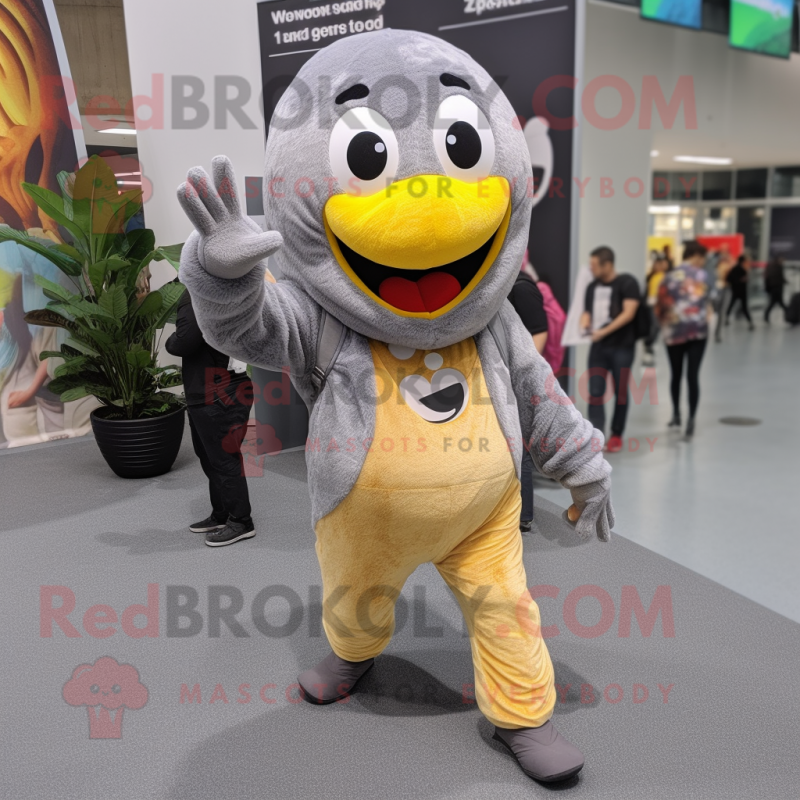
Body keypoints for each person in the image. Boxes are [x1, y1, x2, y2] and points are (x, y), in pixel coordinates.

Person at [165, 286, 255, 547]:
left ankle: (241, 521)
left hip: (215, 393)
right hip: (228, 387)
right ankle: (222, 514)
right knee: (211, 456)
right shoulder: (228, 292)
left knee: (223, 458)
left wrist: (171, 340)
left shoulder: (194, 294)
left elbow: (185, 340)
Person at [580, 246, 641, 453]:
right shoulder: (592, 287)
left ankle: (617, 434)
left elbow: (628, 314)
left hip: (622, 346)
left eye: (594, 265)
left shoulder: (628, 283)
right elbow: (587, 311)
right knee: (595, 391)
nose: (591, 268)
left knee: (620, 390)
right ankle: (597, 436)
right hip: (599, 347)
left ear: (607, 264)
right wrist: (584, 323)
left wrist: (603, 332)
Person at [507, 259, 548, 533]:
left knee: (519, 446)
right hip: (503, 375)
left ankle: (524, 514)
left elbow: (539, 333)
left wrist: (521, 372)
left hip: (517, 377)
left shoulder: (520, 288)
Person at [654, 240, 711, 439]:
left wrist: (665, 325)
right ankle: (691, 420)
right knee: (693, 376)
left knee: (675, 374)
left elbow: (659, 306)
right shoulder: (702, 276)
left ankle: (676, 414)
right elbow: (711, 300)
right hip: (698, 332)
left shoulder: (668, 276)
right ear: (696, 256)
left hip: (674, 332)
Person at [642, 254, 668, 366]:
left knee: (656, 326)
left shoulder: (666, 277)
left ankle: (649, 345)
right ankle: (648, 346)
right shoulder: (650, 277)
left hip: (660, 305)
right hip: (650, 304)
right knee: (653, 325)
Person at [725, 254, 754, 330]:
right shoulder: (737, 269)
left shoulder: (741, 268)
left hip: (739, 291)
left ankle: (750, 322)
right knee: (740, 306)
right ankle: (750, 322)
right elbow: (729, 279)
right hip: (738, 290)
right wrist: (740, 281)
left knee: (735, 305)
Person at [713, 253, 734, 342]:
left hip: (726, 289)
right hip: (718, 289)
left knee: (722, 313)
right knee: (719, 312)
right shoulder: (718, 268)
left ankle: (717, 333)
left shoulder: (729, 267)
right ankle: (717, 333)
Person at [763, 256, 788, 324]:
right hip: (777, 288)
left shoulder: (770, 265)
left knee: (775, 303)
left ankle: (766, 316)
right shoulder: (778, 266)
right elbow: (781, 277)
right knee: (778, 303)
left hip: (772, 287)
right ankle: (789, 315)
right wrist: (785, 282)